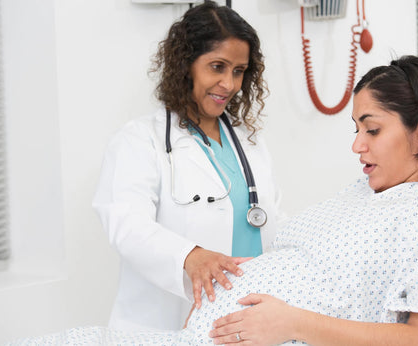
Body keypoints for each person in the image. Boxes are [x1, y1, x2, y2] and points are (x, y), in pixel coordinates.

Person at [8, 56, 418, 345]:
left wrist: (290, 322)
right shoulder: (361, 193)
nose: (357, 145)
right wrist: (226, 283)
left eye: (371, 129)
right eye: (356, 129)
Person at [92, 1, 280, 332]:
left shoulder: (249, 143)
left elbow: (272, 221)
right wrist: (189, 256)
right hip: (166, 323)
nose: (229, 84)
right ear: (186, 65)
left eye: (238, 71)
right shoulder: (140, 140)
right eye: (217, 67)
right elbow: (125, 224)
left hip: (245, 321)